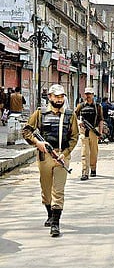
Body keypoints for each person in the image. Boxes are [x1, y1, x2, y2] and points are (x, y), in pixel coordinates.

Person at [22, 84, 79, 237]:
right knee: (46, 190)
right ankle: (49, 213)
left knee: (58, 191)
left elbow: (74, 137)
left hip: (62, 157)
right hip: (44, 157)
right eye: (57, 96)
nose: (59, 99)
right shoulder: (40, 114)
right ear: (50, 97)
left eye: (62, 97)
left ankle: (55, 223)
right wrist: (37, 143)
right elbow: (26, 131)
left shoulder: (70, 115)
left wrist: (66, 152)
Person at [75, 87, 103, 180]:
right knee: (84, 152)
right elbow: (73, 116)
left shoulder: (98, 106)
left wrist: (100, 132)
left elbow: (100, 120)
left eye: (90, 94)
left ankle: (93, 168)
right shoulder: (81, 106)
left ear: (93, 95)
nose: (88, 96)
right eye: (86, 94)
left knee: (94, 152)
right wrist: (78, 121)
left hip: (94, 131)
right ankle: (84, 172)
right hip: (84, 131)